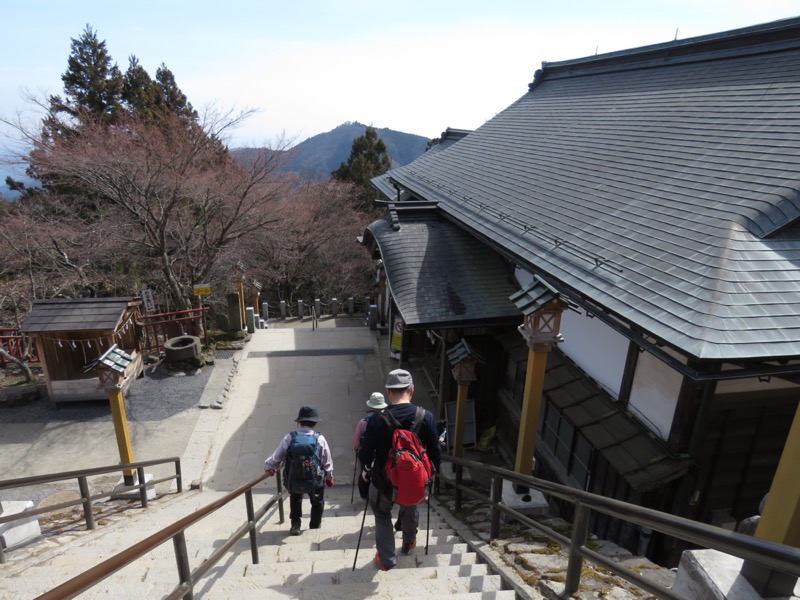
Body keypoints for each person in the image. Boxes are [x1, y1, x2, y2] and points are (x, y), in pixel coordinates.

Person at [359, 369, 441, 571]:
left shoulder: (377, 419)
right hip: (413, 479)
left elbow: (366, 454)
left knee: (382, 514)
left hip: (383, 480)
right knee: (410, 505)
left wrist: (366, 469)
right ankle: (409, 541)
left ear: (388, 392)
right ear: (411, 390)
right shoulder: (426, 416)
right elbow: (435, 453)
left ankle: (386, 559)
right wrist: (431, 474)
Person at [264, 405, 334, 536]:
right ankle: (314, 526)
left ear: (300, 422)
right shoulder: (320, 439)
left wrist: (268, 466)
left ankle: (295, 525)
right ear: (314, 423)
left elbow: (277, 457)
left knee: (295, 498)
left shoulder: (290, 437)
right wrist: (329, 477)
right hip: (315, 478)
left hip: (294, 477)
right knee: (317, 502)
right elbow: (327, 461)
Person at [352, 392, 388, 500]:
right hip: (383, 455)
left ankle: (366, 496)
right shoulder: (387, 420)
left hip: (367, 455)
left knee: (364, 474)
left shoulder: (363, 422)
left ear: (371, 406)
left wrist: (358, 448)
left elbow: (356, 442)